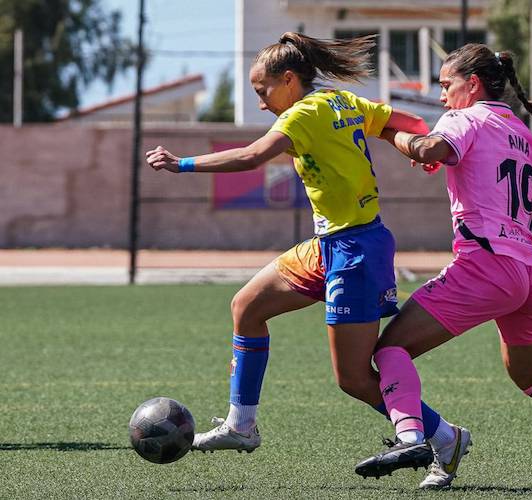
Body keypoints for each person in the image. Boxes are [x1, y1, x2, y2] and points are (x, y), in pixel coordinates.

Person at [145, 32, 455, 456]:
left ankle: (444, 436)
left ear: (289, 79)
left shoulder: (301, 115)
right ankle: (241, 425)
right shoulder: (342, 101)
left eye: (263, 91)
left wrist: (182, 164)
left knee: (354, 379)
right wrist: (421, 147)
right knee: (246, 308)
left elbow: (253, 156)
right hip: (327, 246)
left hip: (356, 252)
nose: (260, 102)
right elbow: (402, 122)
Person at [353, 44, 532, 488]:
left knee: (389, 350)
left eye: (446, 85)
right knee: (531, 375)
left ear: (473, 84)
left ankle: (410, 437)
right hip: (531, 274)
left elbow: (427, 148)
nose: (442, 96)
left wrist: (387, 131)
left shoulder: (465, 118)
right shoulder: (521, 131)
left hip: (486, 266)